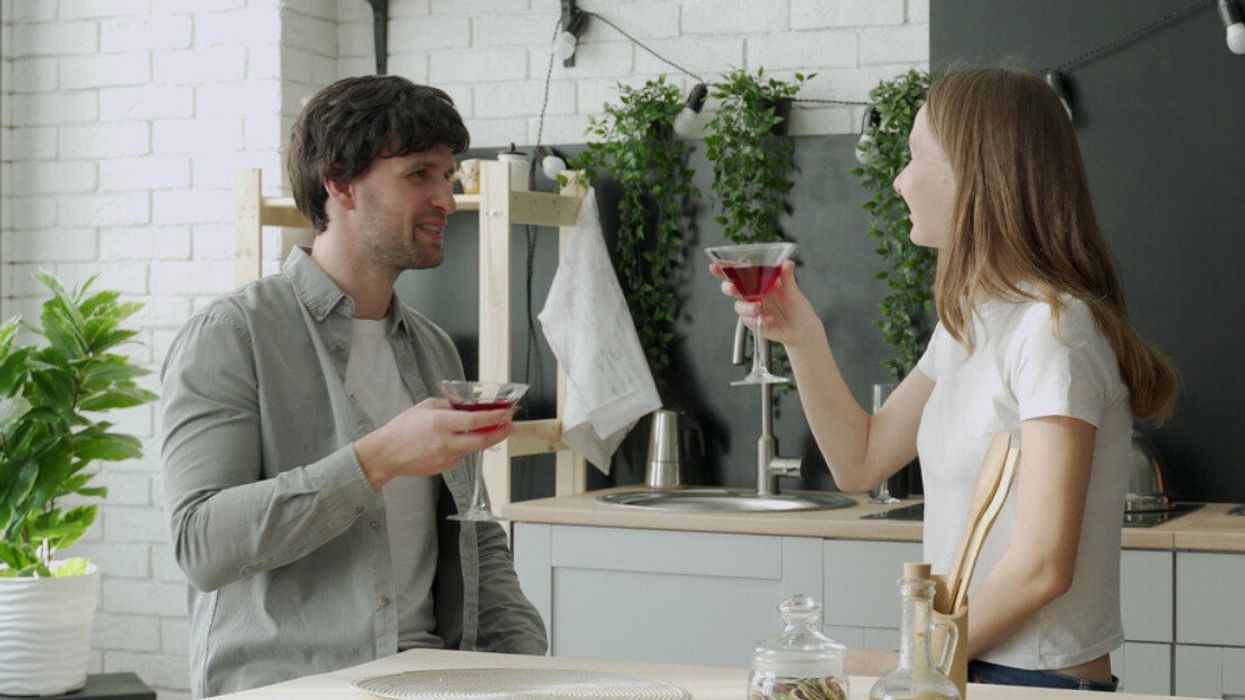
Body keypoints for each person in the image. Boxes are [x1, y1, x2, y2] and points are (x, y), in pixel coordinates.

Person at [714, 67, 1178, 691]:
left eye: (913, 158)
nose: (899, 181)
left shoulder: (1053, 331)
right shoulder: (972, 323)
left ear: (975, 171)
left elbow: (1043, 568)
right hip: (967, 670)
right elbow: (861, 460)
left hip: (1033, 683)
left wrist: (913, 661)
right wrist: (802, 335)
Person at [160, 75, 547, 697]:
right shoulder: (231, 335)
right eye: (419, 174)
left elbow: (474, 541)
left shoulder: (433, 346)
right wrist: (379, 457)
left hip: (433, 679)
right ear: (339, 182)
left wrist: (527, 667)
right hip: (295, 687)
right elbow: (203, 544)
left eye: (448, 177)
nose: (445, 198)